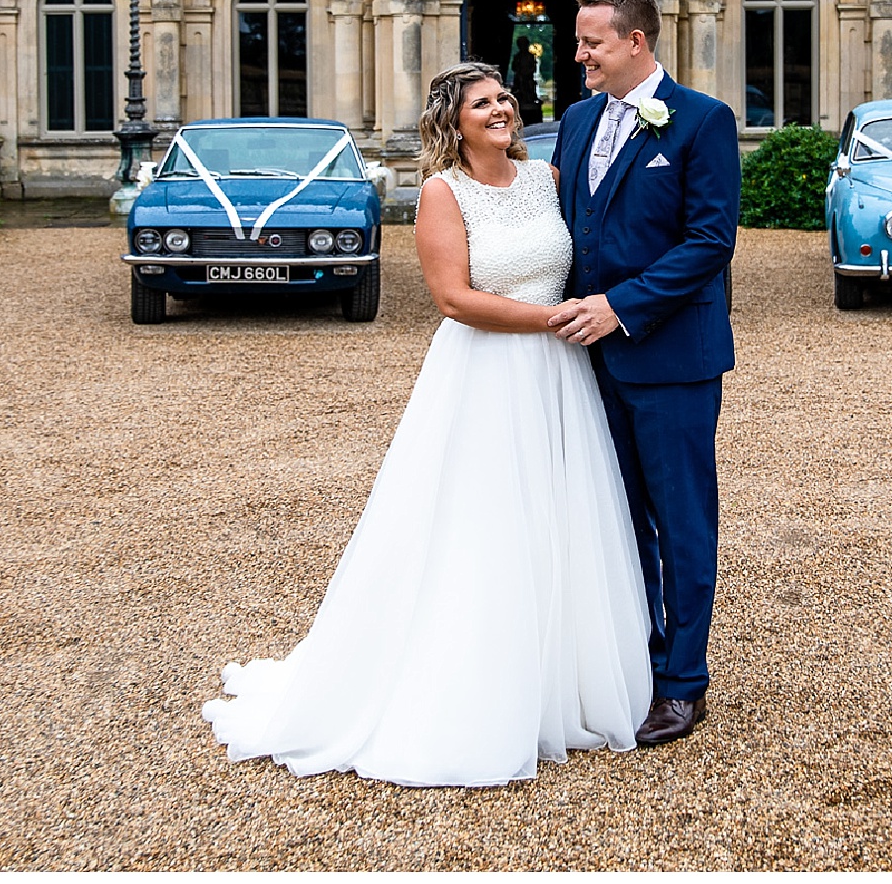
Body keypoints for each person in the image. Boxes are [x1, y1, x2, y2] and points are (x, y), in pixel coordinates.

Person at [201, 62, 652, 787]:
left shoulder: (545, 180)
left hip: (559, 378)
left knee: (557, 519)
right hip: (487, 372)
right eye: (484, 104)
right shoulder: (443, 193)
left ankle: (559, 683)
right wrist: (554, 318)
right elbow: (454, 299)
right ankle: (469, 692)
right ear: (455, 121)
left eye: (504, 97)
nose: (502, 110)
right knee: (480, 525)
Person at [546, 0, 739, 746]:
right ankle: (632, 661)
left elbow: (709, 241)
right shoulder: (575, 118)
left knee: (682, 520)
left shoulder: (701, 121)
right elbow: (564, 224)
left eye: (592, 41)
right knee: (616, 519)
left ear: (636, 42)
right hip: (585, 361)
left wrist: (620, 305)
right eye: (579, 41)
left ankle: (683, 683)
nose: (579, 54)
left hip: (671, 356)